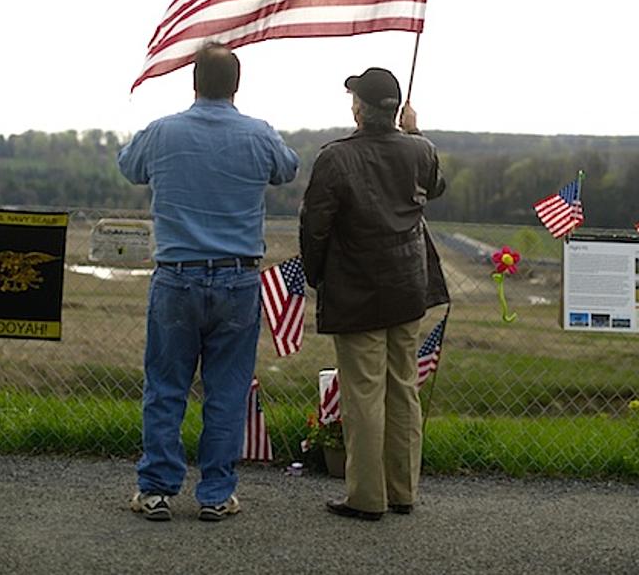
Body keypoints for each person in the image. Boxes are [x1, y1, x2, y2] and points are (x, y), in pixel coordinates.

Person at [118, 42, 299, 522]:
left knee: (165, 386)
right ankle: (216, 493)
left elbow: (128, 167)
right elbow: (288, 168)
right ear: (237, 86)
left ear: (193, 82)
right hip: (238, 280)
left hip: (177, 278)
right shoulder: (258, 135)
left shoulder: (161, 132)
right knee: (227, 392)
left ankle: (156, 489)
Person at [298, 66, 449, 521]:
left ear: (359, 110)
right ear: (395, 110)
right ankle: (402, 491)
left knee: (363, 394)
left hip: (357, 291)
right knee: (403, 388)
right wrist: (416, 131)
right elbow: (436, 185)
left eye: (354, 100)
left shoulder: (335, 158)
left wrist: (316, 275)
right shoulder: (420, 150)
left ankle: (366, 497)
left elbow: (314, 227)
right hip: (408, 287)